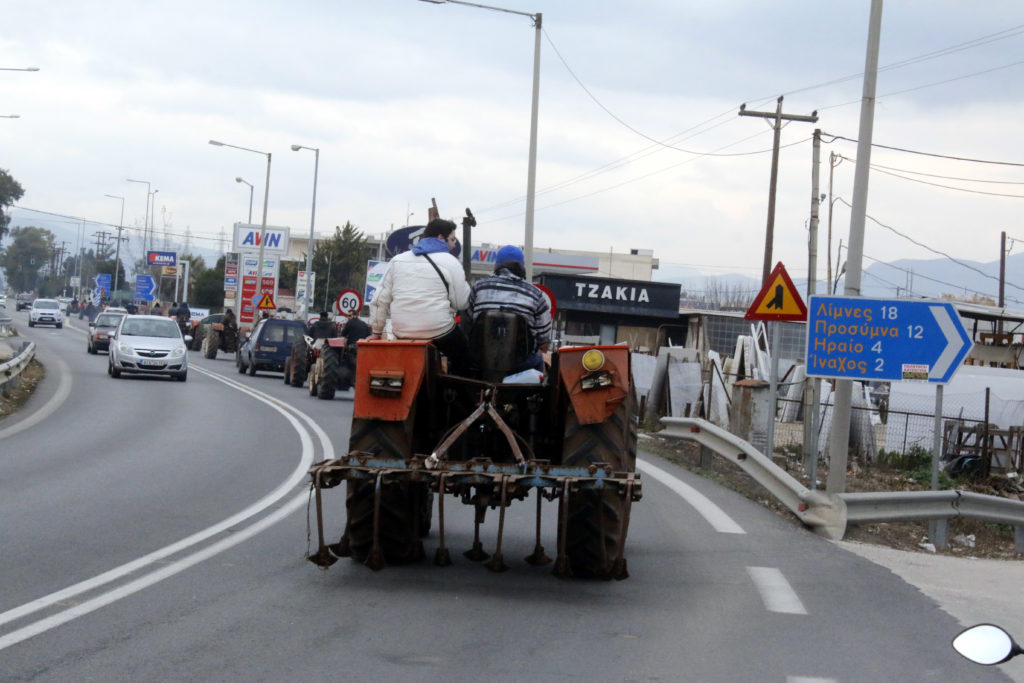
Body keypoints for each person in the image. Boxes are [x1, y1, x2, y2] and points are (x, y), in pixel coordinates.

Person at [369, 218, 472, 375]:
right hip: (439, 330)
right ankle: (458, 394)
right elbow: (462, 303)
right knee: (465, 356)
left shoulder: (397, 260)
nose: (454, 245)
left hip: (402, 332)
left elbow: (379, 300)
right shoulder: (451, 262)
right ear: (440, 238)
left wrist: (376, 332)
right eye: (452, 239)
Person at [467, 245, 551, 373]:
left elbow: (469, 323)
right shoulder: (535, 294)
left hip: (478, 362)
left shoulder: (479, 287)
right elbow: (543, 339)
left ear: (497, 265)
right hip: (521, 366)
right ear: (522, 267)